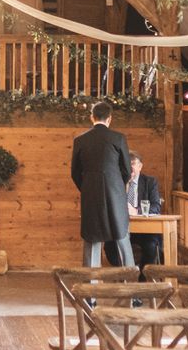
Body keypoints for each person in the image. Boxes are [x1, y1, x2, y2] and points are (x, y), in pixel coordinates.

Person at [70, 101, 132, 267]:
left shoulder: (80, 140)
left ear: (92, 117)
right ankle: (132, 288)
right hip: (115, 194)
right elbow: (127, 170)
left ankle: (91, 291)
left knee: (92, 238)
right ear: (110, 119)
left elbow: (75, 173)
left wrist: (87, 187)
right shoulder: (118, 138)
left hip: (90, 194)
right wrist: (117, 186)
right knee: (122, 238)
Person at [127, 153, 165, 269]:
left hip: (146, 232)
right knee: (110, 247)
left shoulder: (150, 182)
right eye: (127, 164)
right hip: (124, 231)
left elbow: (156, 207)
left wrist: (136, 211)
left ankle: (143, 279)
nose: (130, 167)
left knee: (151, 247)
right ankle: (125, 277)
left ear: (140, 166)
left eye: (133, 164)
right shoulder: (118, 183)